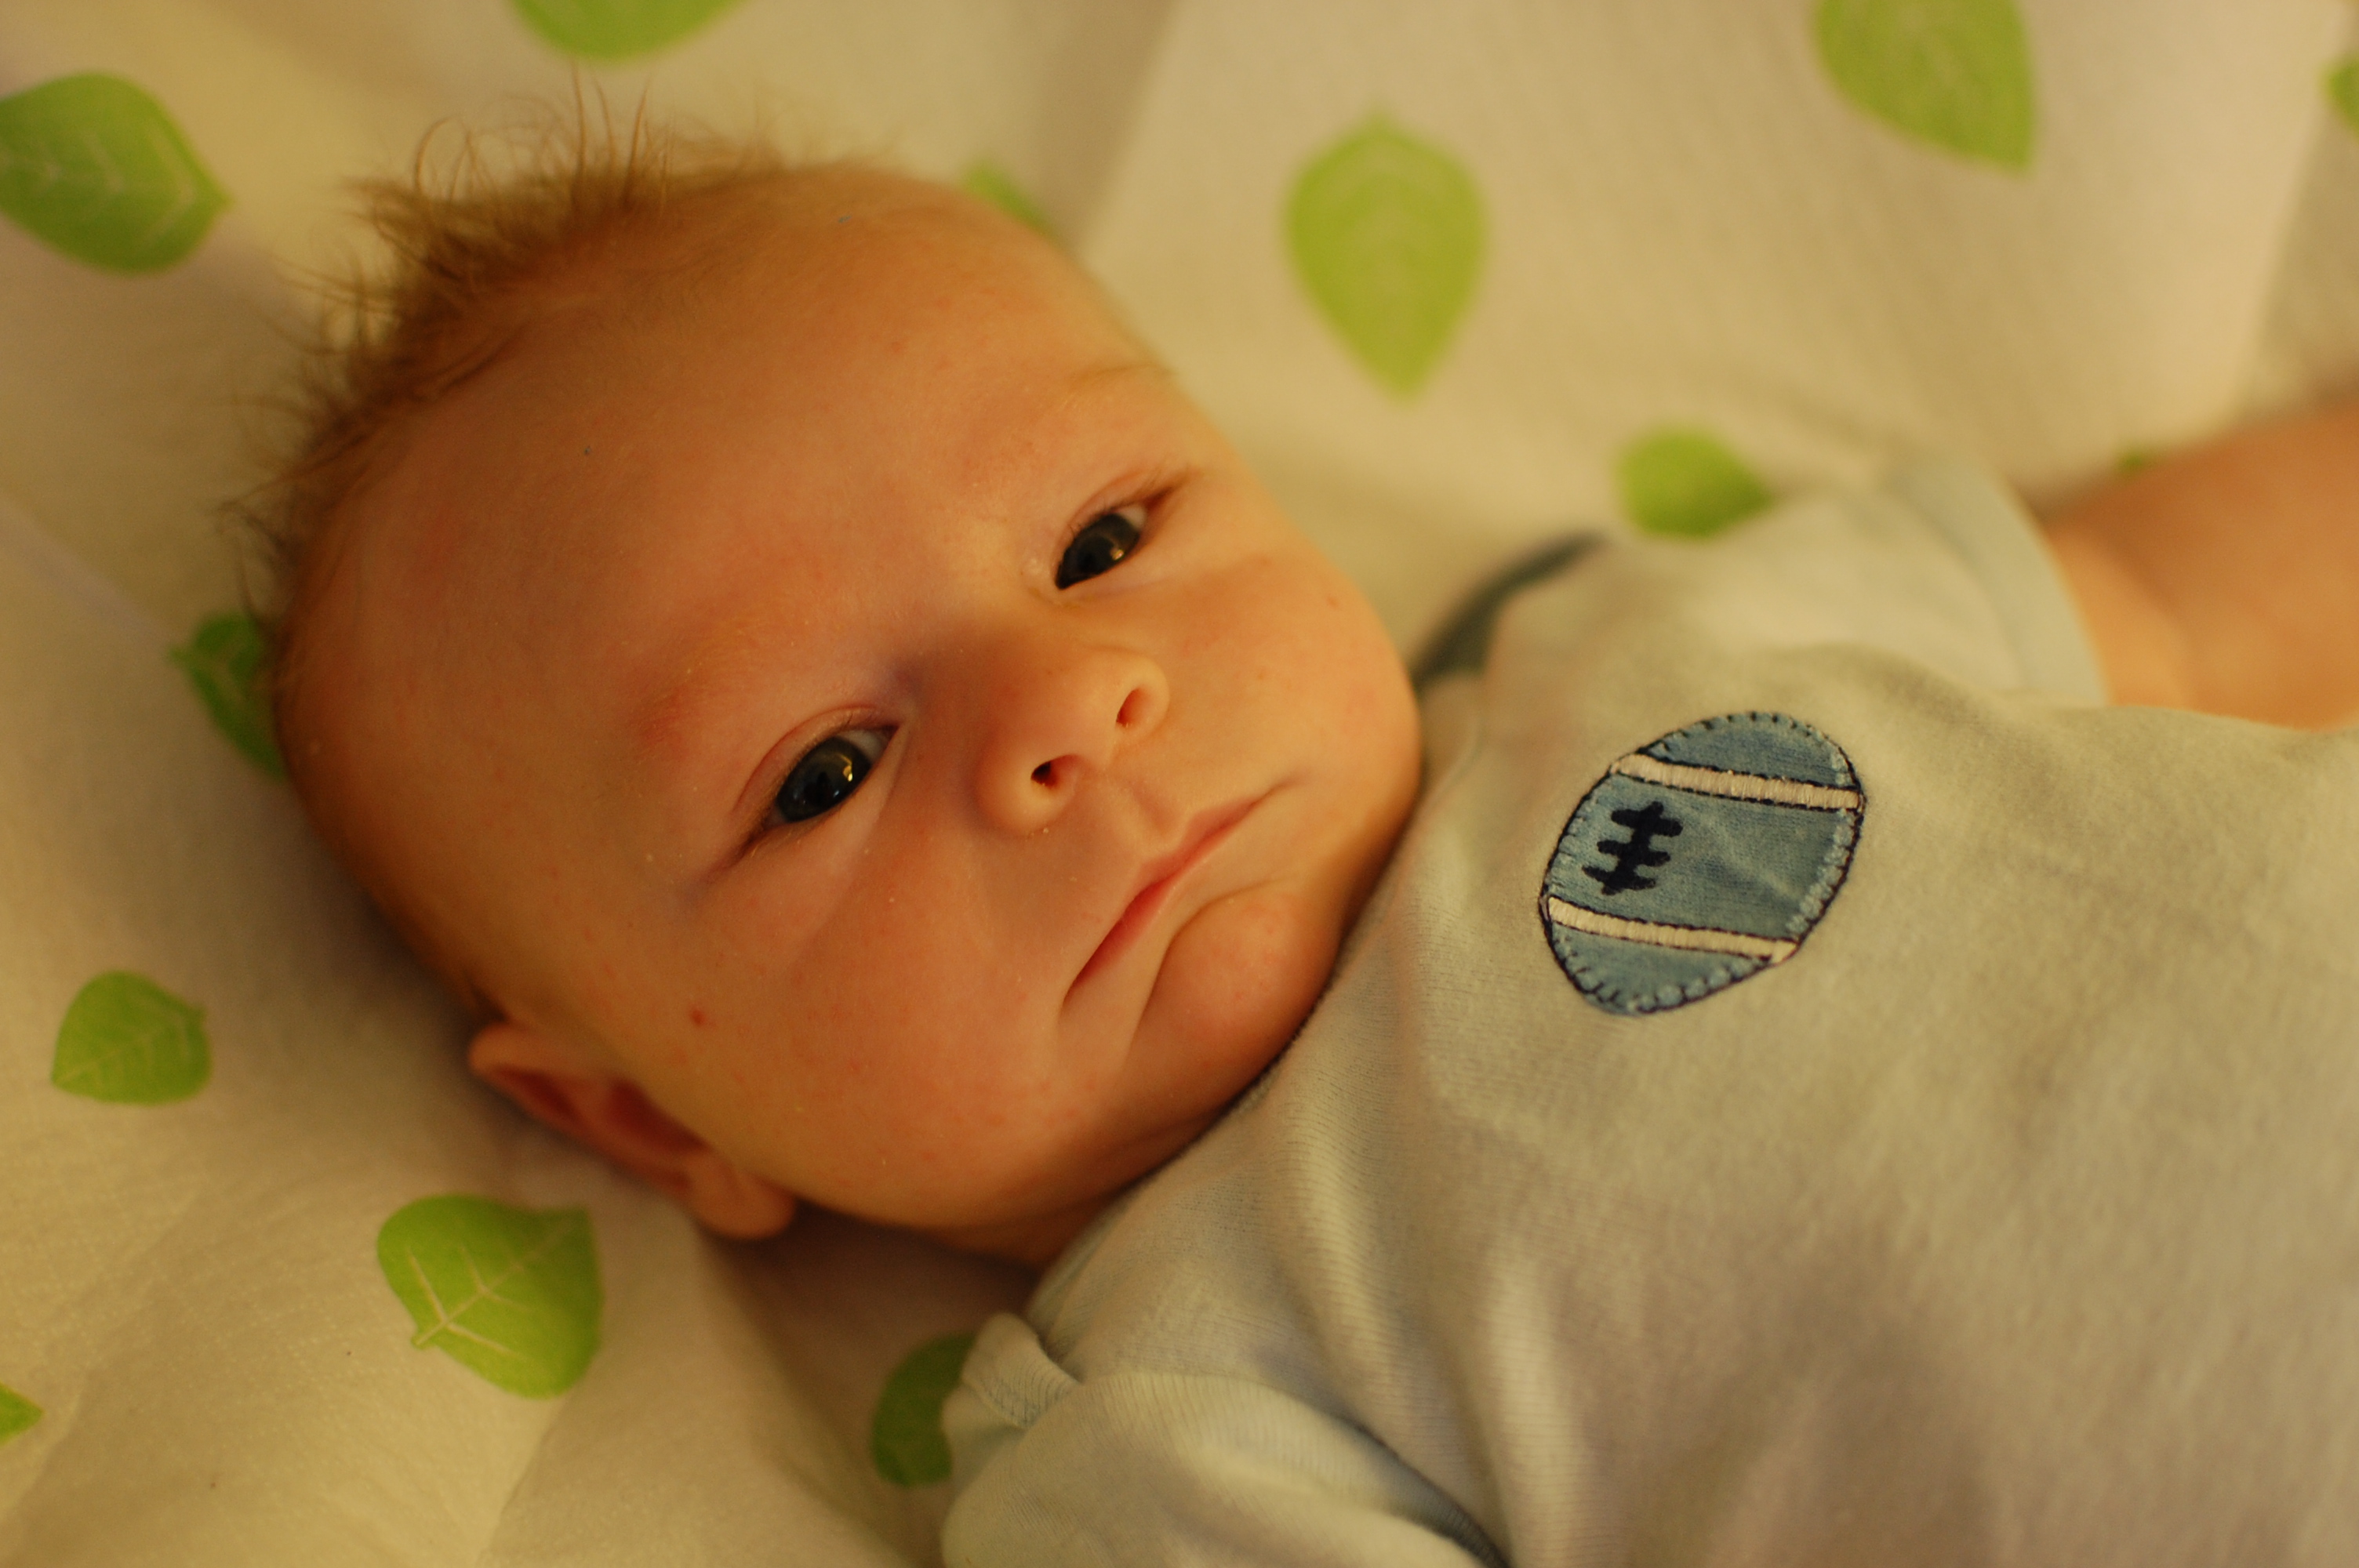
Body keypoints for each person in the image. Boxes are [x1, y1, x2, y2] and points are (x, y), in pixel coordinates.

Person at [255, 122, 2359, 1563]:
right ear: (644, 1118)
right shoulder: (1169, 1420)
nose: (1068, 701)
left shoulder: (1634, 646)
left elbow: (2166, 608)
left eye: (1105, 538)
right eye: (824, 773)